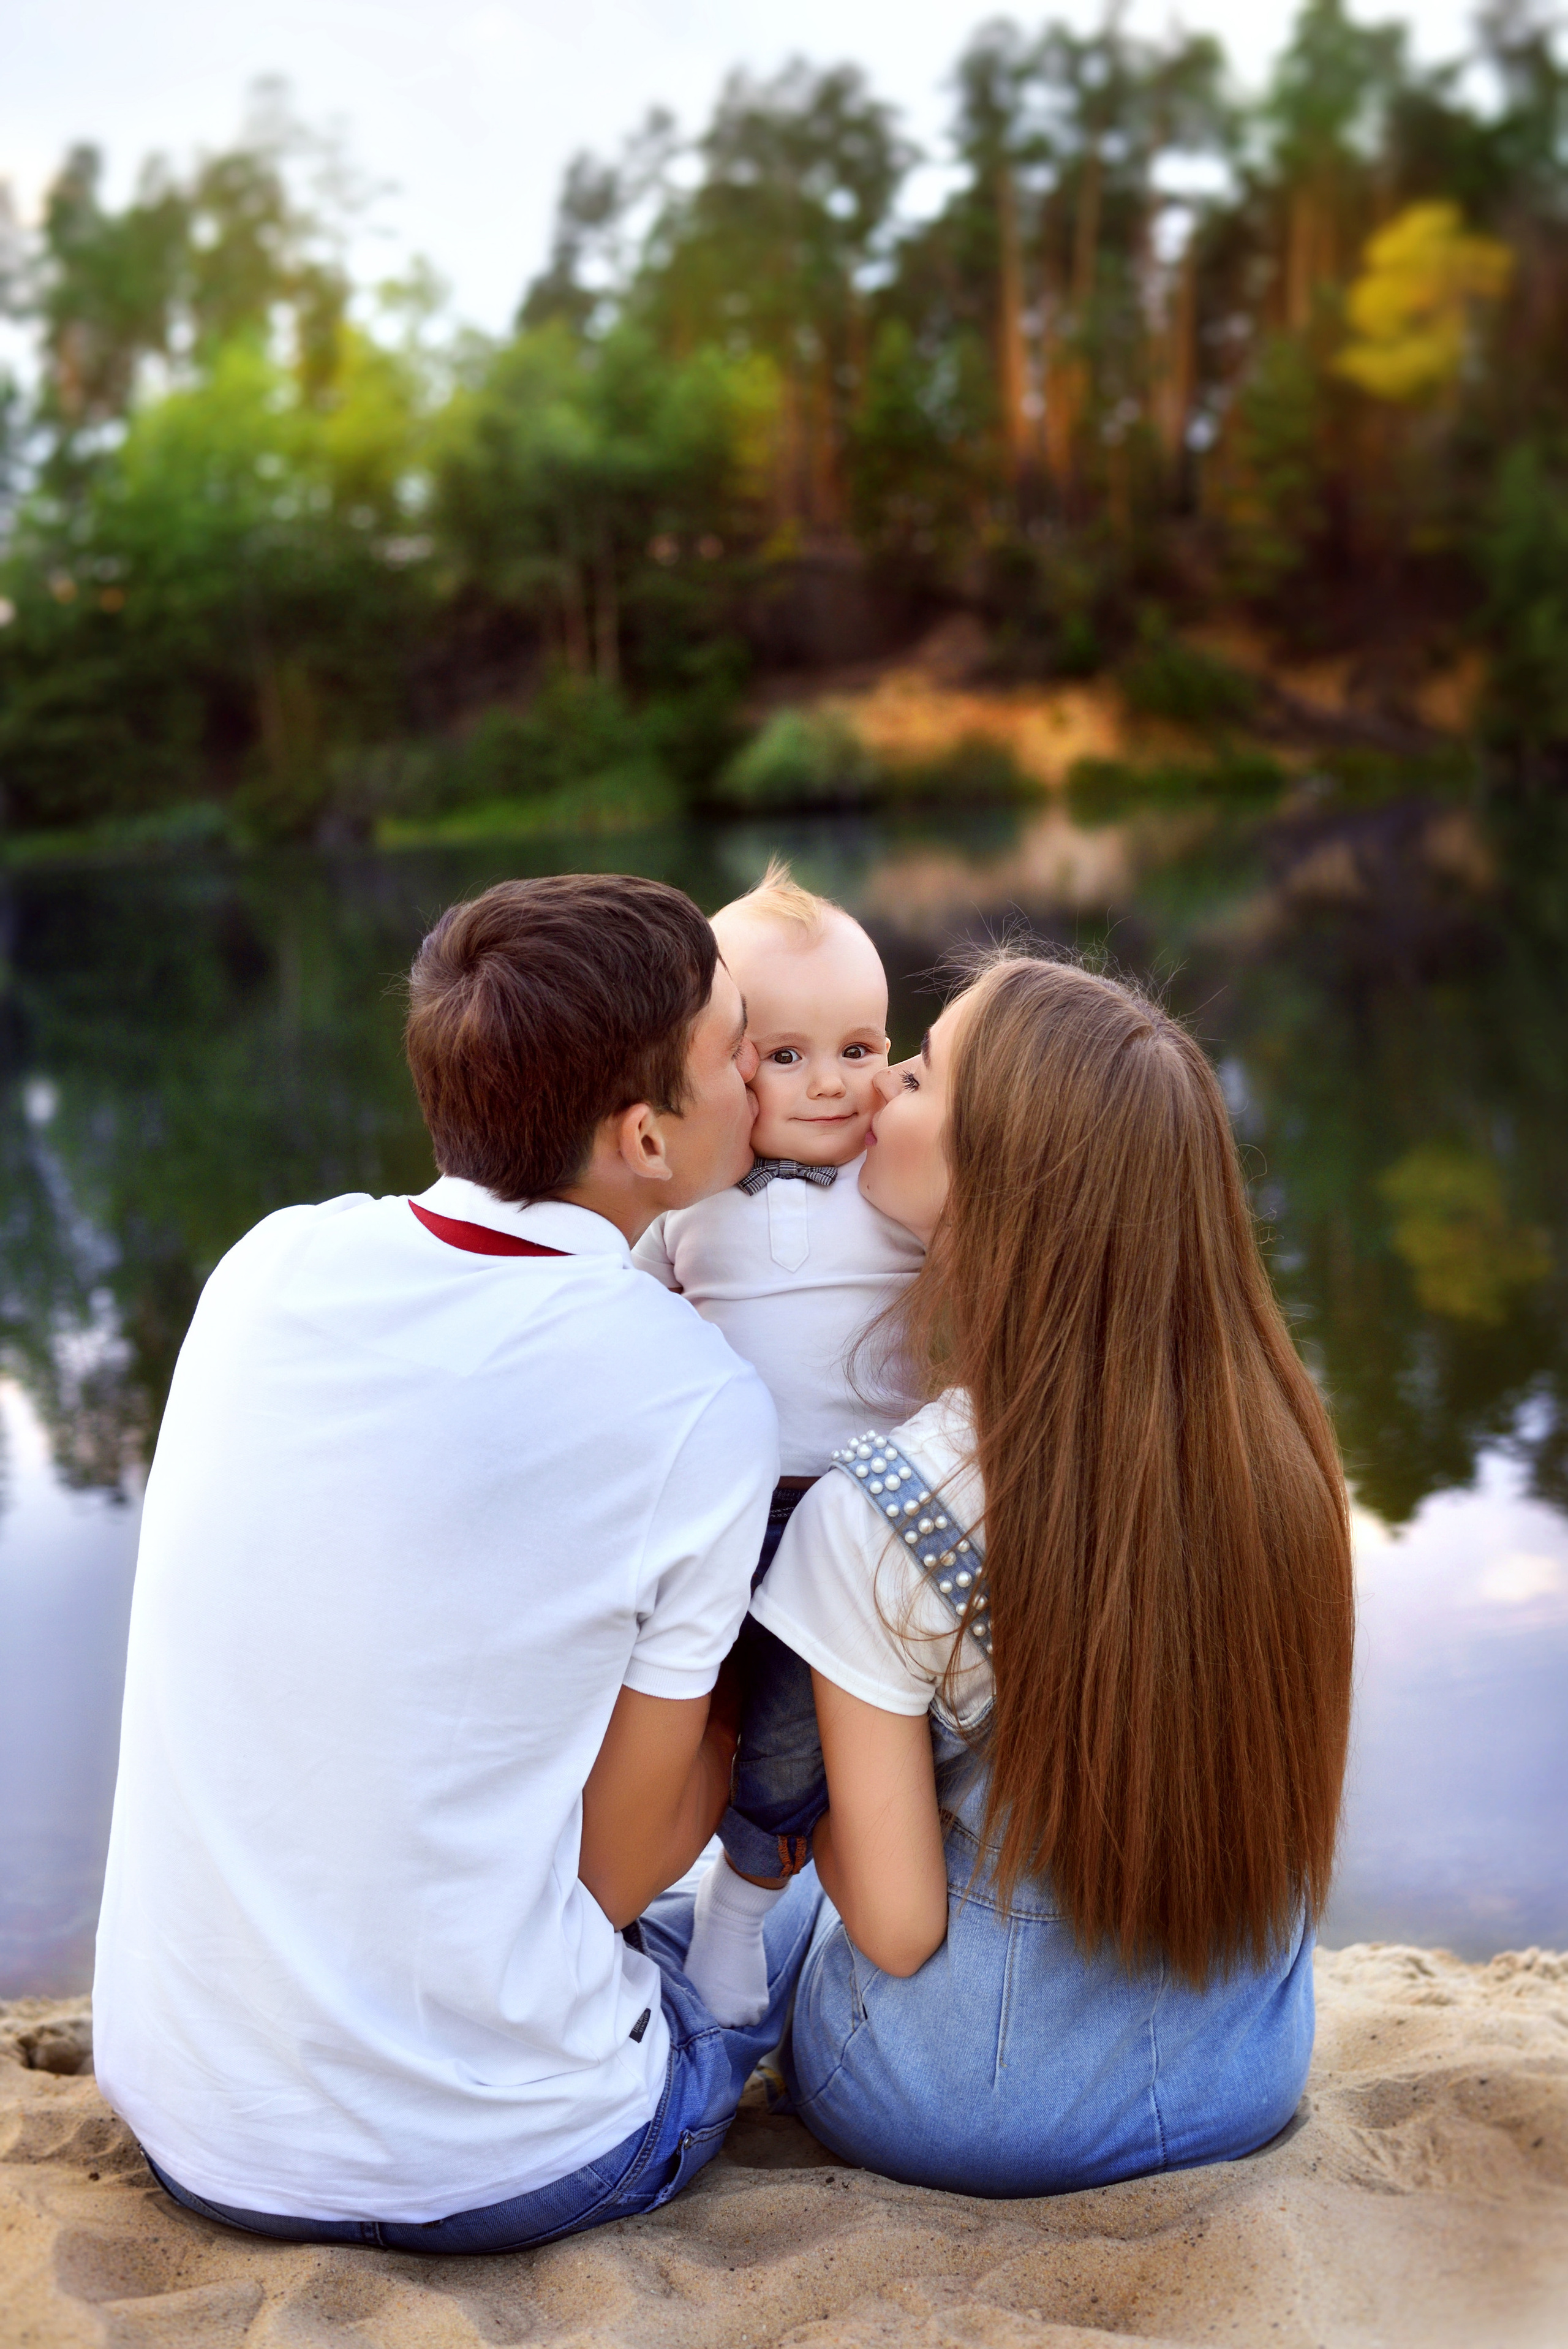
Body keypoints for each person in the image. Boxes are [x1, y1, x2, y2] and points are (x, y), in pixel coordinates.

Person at [92, 873, 821, 2253]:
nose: (761, 1070)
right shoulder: (693, 1401)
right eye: (738, 1045)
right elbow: (613, 1878)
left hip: (195, 2124)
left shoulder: (264, 1269)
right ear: (646, 1137)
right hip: (499, 2158)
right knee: (796, 1923)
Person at [705, 953, 1356, 2195]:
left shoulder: (885, 1508)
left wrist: (803, 1797)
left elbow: (895, 1929)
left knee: (772, 1893)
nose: (879, 1085)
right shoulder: (1283, 1440)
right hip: (1240, 2075)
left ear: (990, 1175)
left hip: (968, 2105)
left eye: (922, 1069)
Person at [631, 860, 924, 2026]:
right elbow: (624, 1319)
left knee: (801, 1730)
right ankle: (629, 1883)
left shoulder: (898, 1183)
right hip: (718, 1507)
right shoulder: (688, 1199)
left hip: (857, 1523)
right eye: (785, 1053)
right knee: (678, 1707)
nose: (831, 1084)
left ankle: (741, 1913)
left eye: (861, 1048)